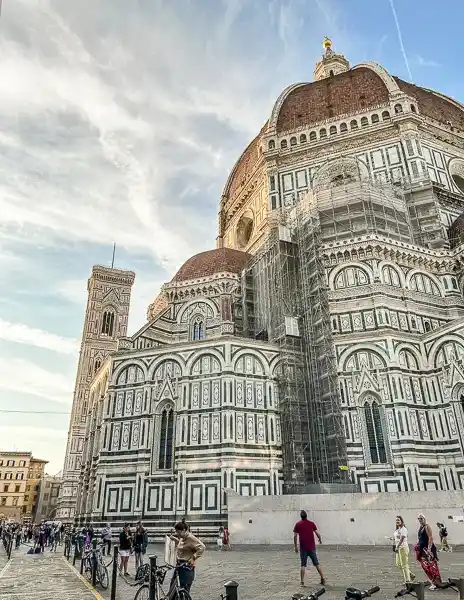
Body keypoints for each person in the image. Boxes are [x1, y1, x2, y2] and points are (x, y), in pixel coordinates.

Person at [169, 520, 205, 594]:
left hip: (186, 567)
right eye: (176, 532)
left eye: (178, 532)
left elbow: (202, 547)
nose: (177, 534)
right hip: (179, 566)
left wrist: (193, 558)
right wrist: (175, 539)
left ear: (184, 530)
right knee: (173, 587)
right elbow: (182, 545)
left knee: (184, 589)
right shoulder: (182, 537)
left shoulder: (191, 538)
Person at [293, 510, 325, 588]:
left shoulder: (298, 524)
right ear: (306, 516)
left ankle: (302, 582)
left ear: (301, 516)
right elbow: (317, 533)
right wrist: (320, 540)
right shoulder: (311, 523)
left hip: (303, 548)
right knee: (317, 563)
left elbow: (295, 536)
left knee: (303, 565)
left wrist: (295, 546)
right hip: (311, 547)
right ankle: (322, 578)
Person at [415, 514, 441, 590]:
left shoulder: (427, 526)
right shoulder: (421, 527)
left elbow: (430, 538)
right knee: (425, 567)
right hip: (422, 550)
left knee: (432, 567)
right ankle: (432, 581)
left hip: (428, 550)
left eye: (421, 518)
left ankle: (436, 583)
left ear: (424, 518)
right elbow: (421, 538)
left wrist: (429, 550)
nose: (420, 520)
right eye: (419, 518)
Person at [390, 516, 415, 584]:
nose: (397, 521)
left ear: (401, 521)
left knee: (404, 564)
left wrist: (397, 546)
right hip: (398, 548)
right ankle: (411, 575)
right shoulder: (398, 529)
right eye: (396, 520)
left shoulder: (403, 529)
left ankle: (408, 581)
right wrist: (392, 538)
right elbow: (397, 537)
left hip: (403, 548)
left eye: (398, 520)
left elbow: (402, 539)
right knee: (398, 564)